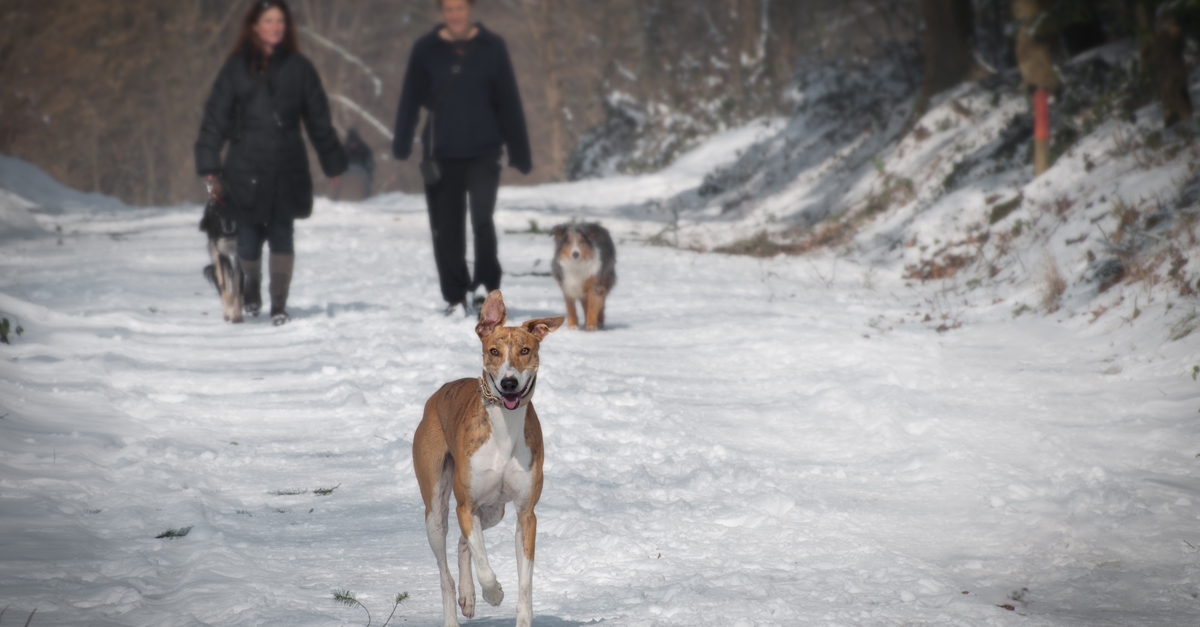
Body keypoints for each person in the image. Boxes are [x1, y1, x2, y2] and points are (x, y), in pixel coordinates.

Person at [195, 0, 347, 326]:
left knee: (282, 235)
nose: (275, 26)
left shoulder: (300, 67)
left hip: (288, 166)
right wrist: (209, 161)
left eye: (280, 21)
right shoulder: (236, 68)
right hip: (244, 168)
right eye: (268, 21)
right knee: (247, 240)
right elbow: (215, 118)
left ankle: (279, 304)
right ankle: (250, 284)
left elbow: (318, 118)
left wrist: (332, 161)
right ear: (254, 26)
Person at [392, 0, 532, 317]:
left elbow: (507, 99)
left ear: (470, 8)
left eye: (460, 7)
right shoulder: (426, 49)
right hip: (441, 153)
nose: (455, 14)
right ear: (442, 11)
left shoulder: (491, 47)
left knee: (482, 219)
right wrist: (402, 140)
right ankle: (456, 295)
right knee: (447, 227)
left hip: (485, 150)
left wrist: (519, 150)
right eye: (449, 8)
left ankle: (484, 286)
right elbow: (410, 98)